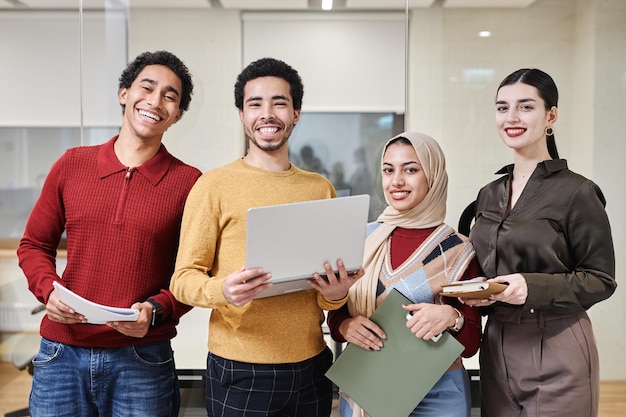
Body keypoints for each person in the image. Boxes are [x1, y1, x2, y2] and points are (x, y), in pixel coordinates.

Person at [169, 57, 364, 417]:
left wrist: (336, 295)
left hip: (312, 365)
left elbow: (326, 296)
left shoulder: (319, 188)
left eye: (279, 103)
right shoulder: (213, 186)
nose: (267, 113)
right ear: (242, 114)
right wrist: (223, 291)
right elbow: (183, 280)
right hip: (239, 368)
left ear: (296, 113)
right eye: (255, 103)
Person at [17, 50, 202, 417]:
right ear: (124, 93)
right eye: (146, 87)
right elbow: (34, 245)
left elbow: (195, 273)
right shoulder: (72, 164)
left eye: (170, 95)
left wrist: (157, 310)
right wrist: (47, 290)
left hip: (142, 358)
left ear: (177, 114)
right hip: (62, 352)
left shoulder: (190, 183)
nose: (155, 100)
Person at [464, 68, 616, 417]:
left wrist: (528, 287)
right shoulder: (489, 194)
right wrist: (480, 289)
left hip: (557, 343)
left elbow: (600, 279)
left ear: (551, 115)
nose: (511, 117)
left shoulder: (578, 191)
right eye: (502, 108)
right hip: (497, 343)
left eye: (525, 107)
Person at [327, 131, 482, 417]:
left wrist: (452, 318)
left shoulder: (458, 249)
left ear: (432, 176)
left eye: (410, 169)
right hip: (368, 387)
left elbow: (472, 343)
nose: (396, 181)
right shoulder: (362, 239)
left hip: (439, 394)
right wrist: (345, 327)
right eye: (388, 170)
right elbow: (336, 313)